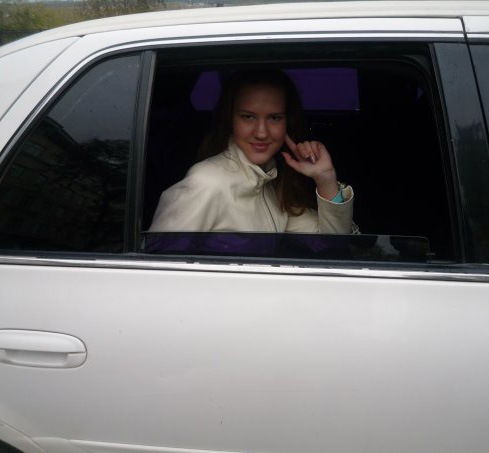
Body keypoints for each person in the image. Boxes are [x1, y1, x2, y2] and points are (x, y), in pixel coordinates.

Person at [149, 69, 357, 234]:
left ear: (287, 123)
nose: (261, 132)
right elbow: (156, 269)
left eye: (274, 118)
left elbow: (331, 245)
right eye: (248, 117)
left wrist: (326, 178)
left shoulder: (269, 182)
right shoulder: (206, 184)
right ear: (230, 120)